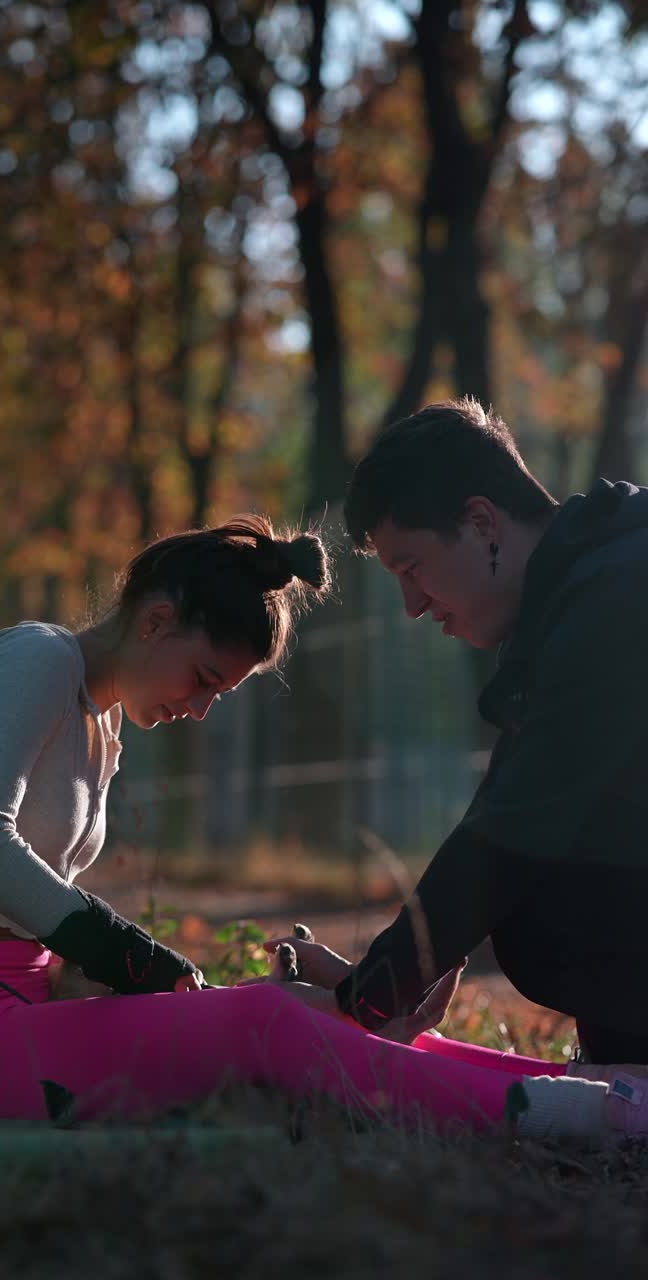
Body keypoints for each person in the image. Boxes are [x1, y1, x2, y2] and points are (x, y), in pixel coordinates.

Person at [0, 511, 563, 1134]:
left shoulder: (103, 721)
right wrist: (125, 953)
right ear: (155, 621)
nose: (201, 709)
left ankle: (592, 1087)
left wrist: (150, 978)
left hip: (16, 1008)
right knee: (262, 1021)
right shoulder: (38, 659)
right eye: (202, 679)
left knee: (291, 1015)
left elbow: (29, 917)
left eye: (217, 694)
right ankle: (583, 1115)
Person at [269, 395, 648, 1141]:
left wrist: (360, 1008)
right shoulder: (584, 588)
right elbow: (507, 805)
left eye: (413, 568)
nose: (412, 605)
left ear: (482, 523)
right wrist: (403, 979)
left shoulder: (619, 596)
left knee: (550, 905)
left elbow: (518, 825)